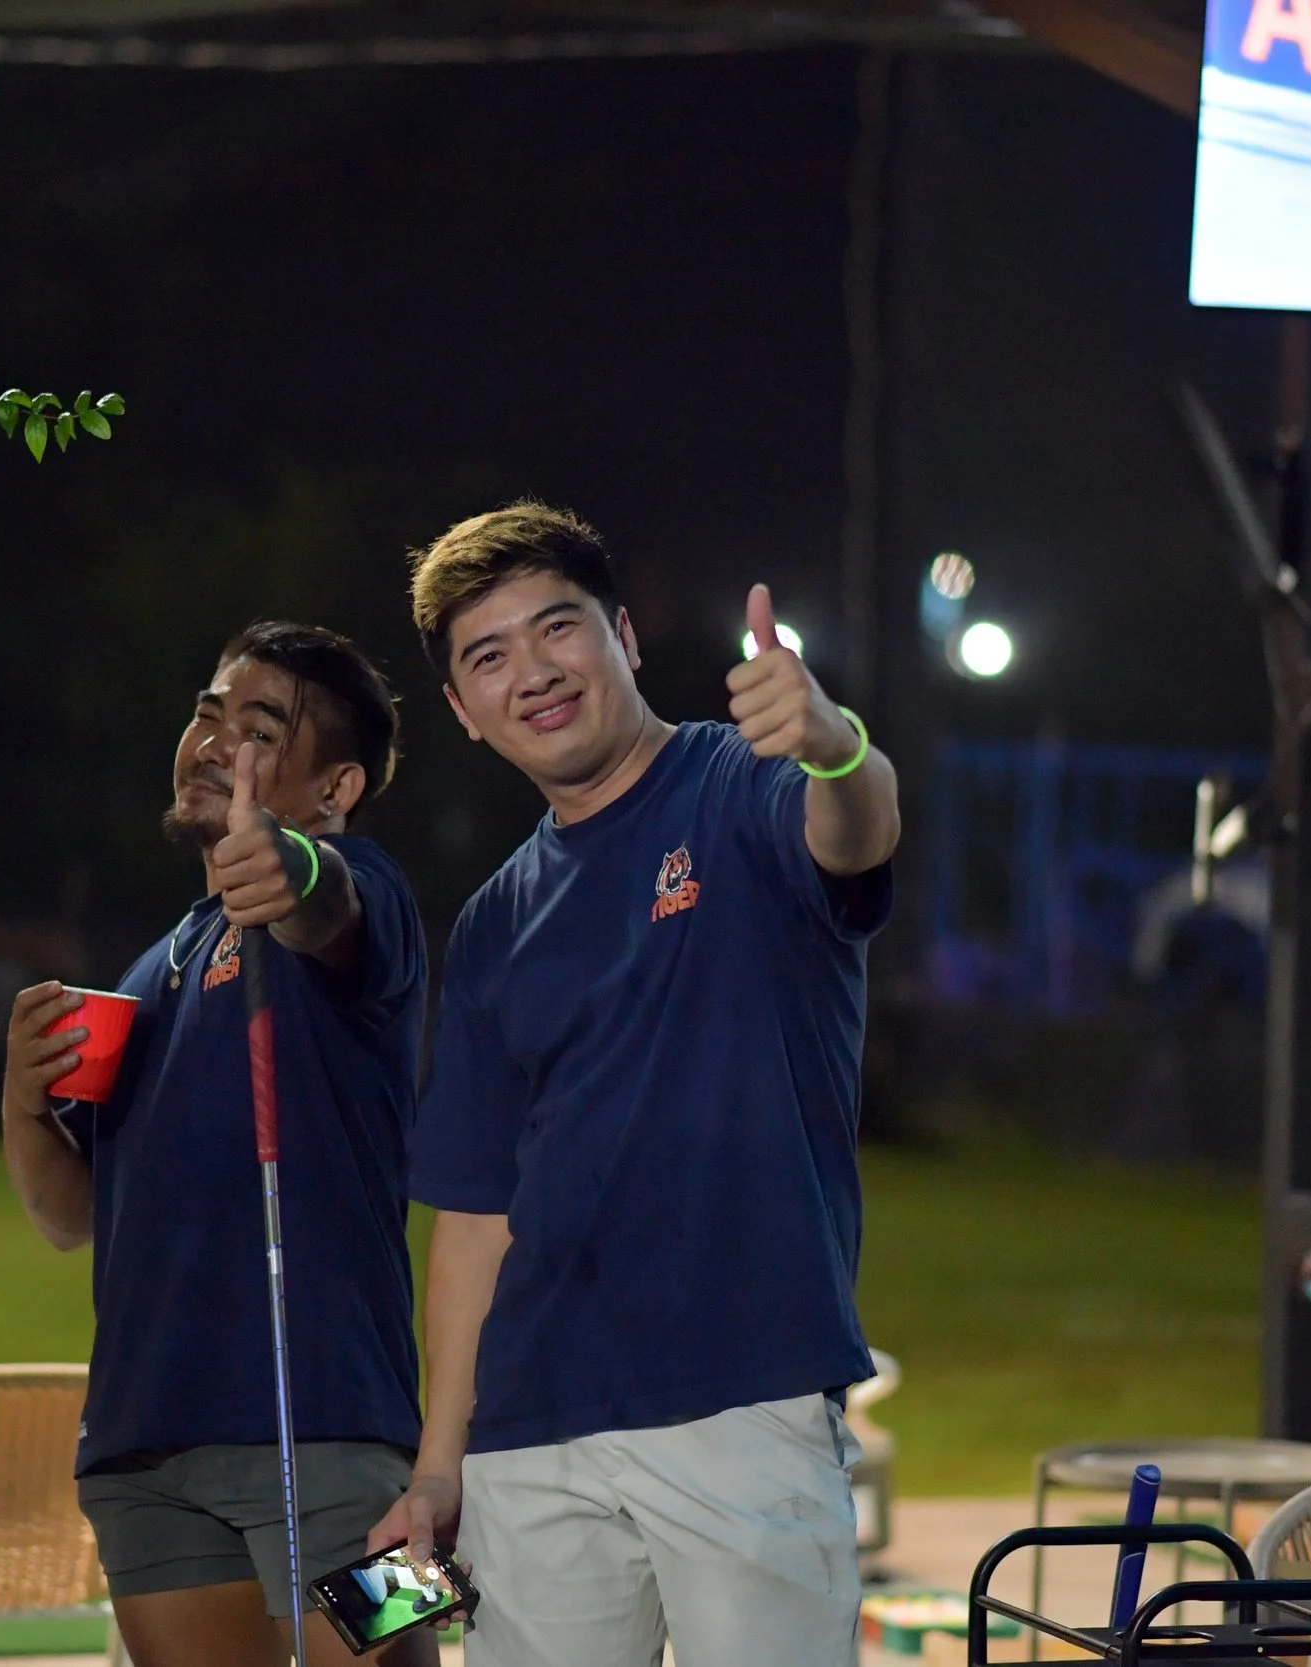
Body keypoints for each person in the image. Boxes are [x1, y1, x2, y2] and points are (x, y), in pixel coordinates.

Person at [370, 502, 900, 1666]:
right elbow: (473, 1215)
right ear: (461, 710)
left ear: (622, 634)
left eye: (556, 629)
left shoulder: (742, 785)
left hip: (740, 1398)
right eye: (488, 657)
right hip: (529, 1431)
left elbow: (854, 834)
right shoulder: (497, 919)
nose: (533, 673)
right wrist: (439, 1464)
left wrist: (833, 744)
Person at [0, 621, 435, 1667]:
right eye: (207, 709)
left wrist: (290, 864)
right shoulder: (153, 966)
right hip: (142, 1454)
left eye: (258, 725)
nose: (212, 737)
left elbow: (326, 905)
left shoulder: (366, 892)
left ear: (335, 785)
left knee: (408, 1649)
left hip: (337, 1431)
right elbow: (73, 1217)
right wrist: (22, 1104)